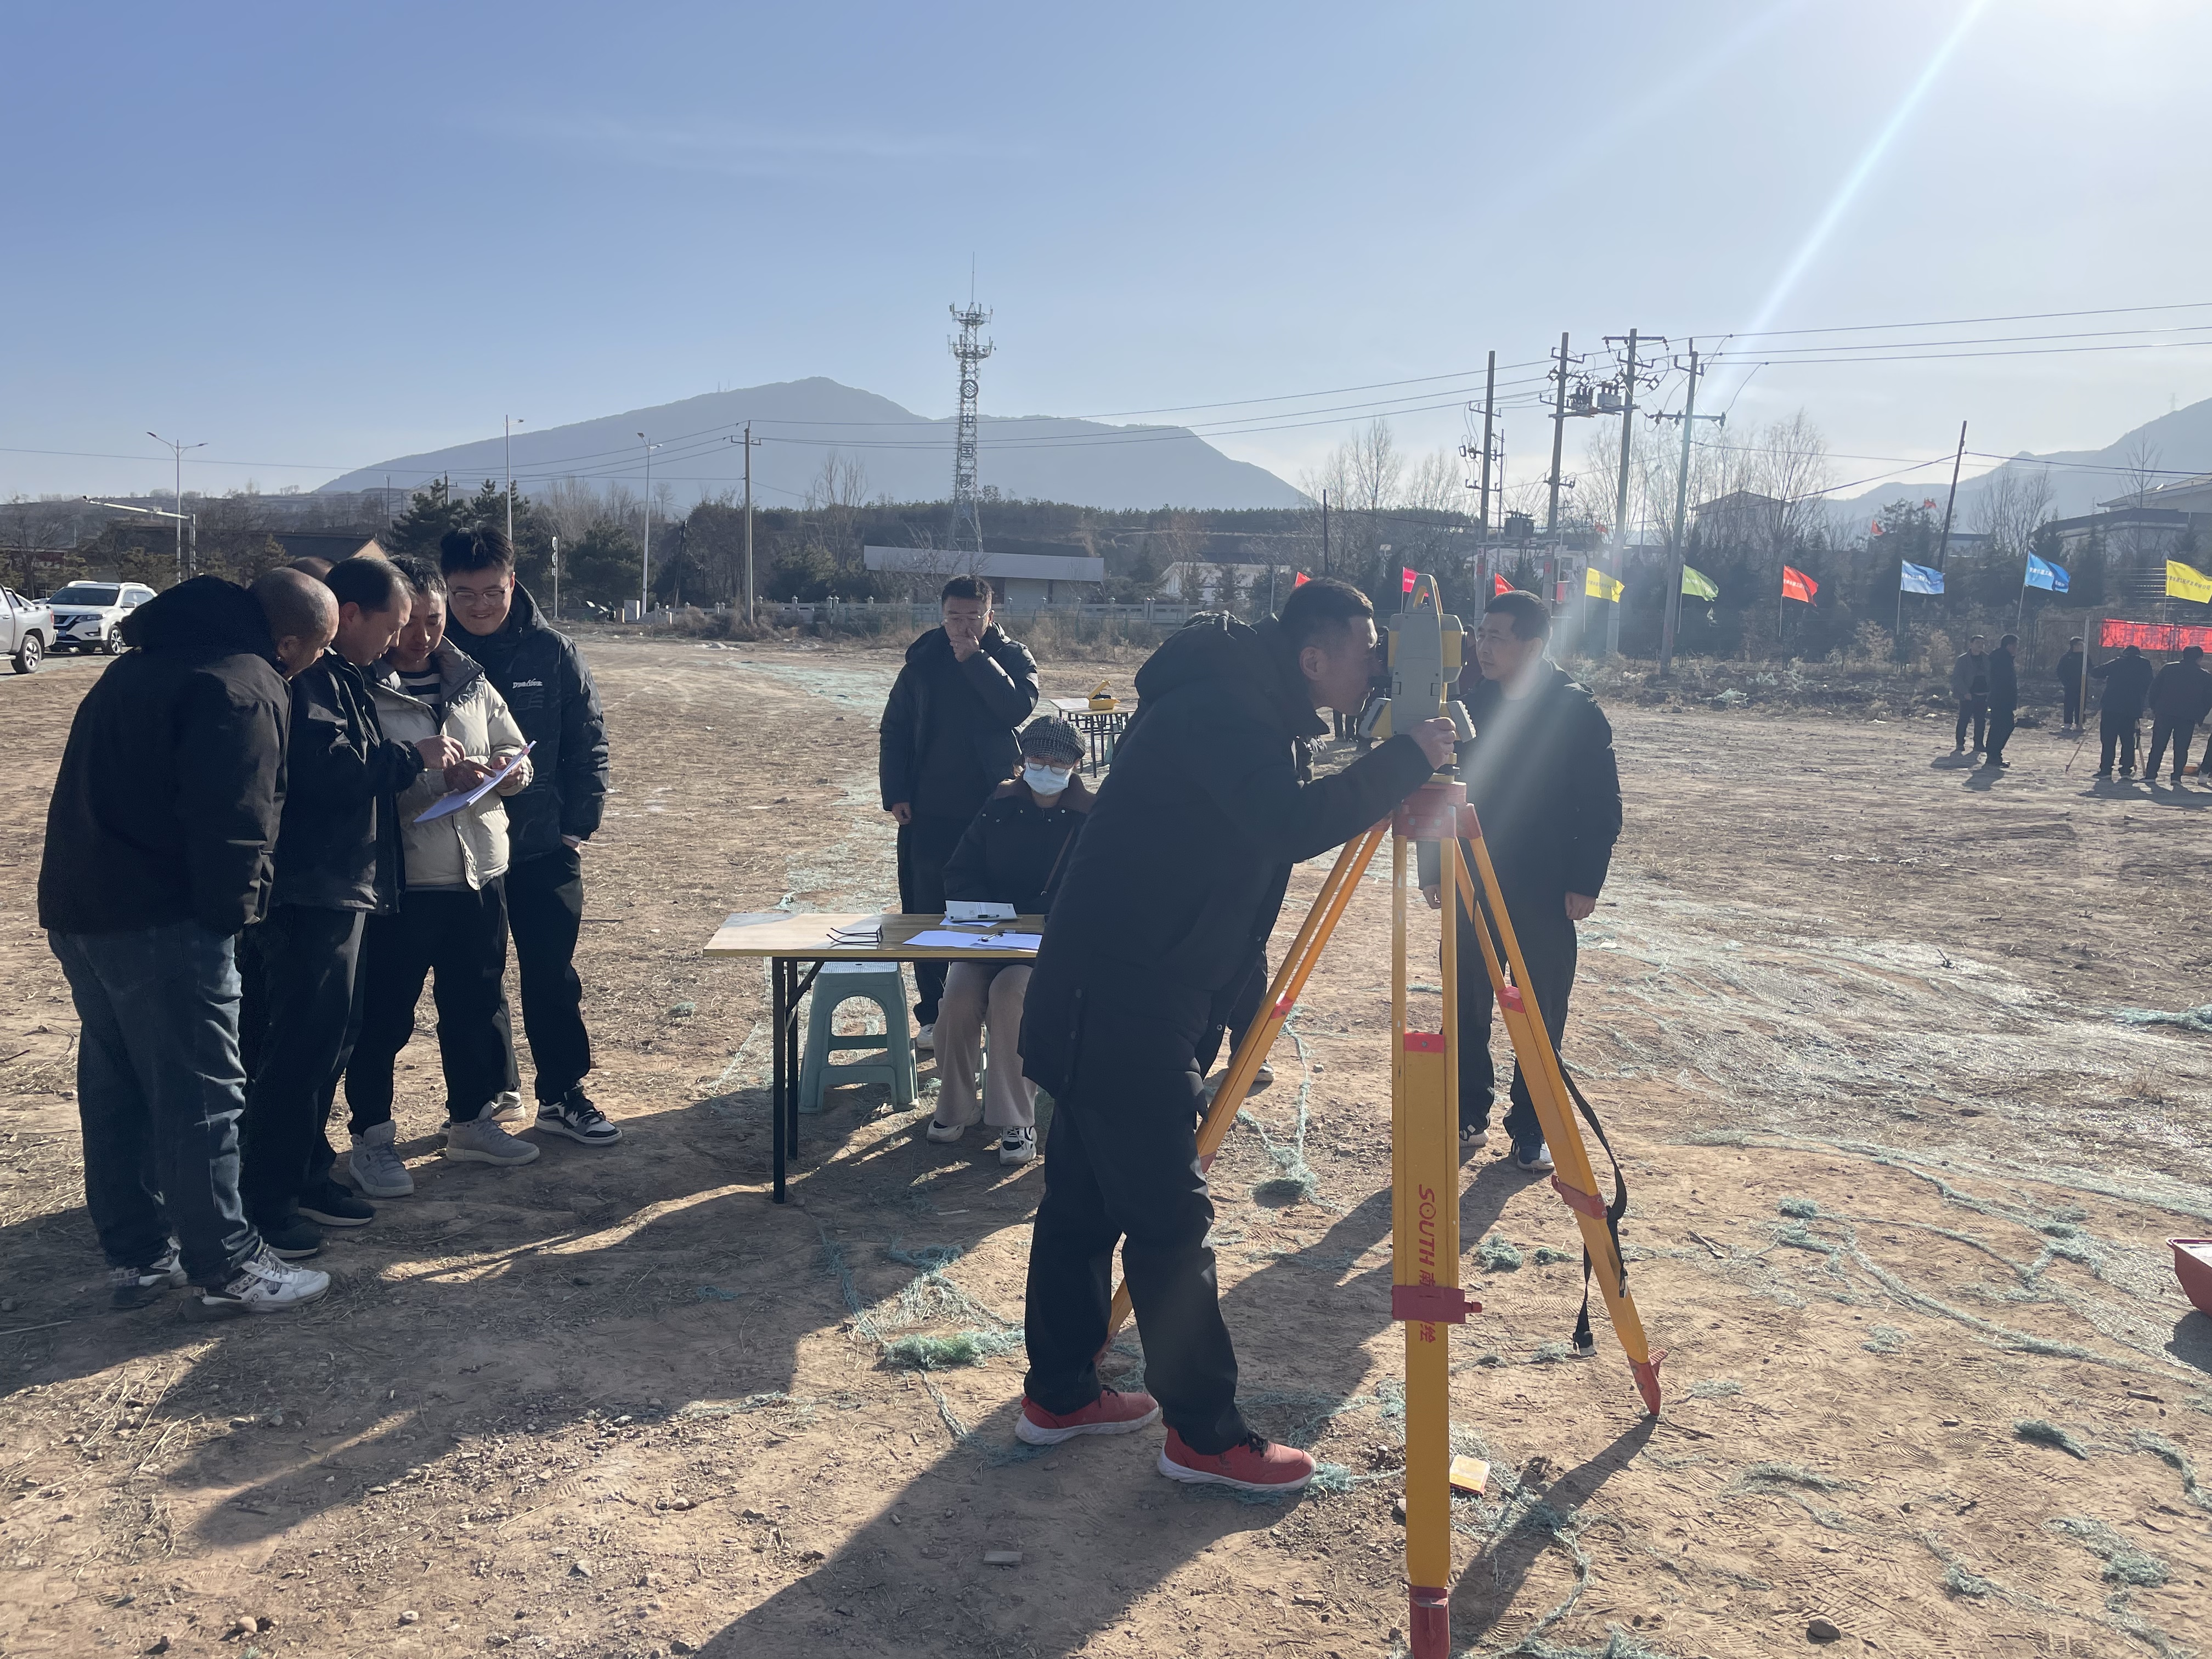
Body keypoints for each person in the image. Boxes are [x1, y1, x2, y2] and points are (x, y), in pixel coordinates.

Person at [1014, 578, 1455, 1494]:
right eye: (1365, 646)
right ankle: (1203, 1433)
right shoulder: (1225, 708)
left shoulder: (1248, 703)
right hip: (1121, 994)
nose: (1376, 663)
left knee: (1082, 1207)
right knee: (1168, 1223)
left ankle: (1058, 1393)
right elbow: (1284, 826)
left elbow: (1235, 860)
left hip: (1114, 985)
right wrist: (1403, 760)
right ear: (1311, 658)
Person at [38, 570, 337, 1318]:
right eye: (315, 653)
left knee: (118, 1087)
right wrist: (235, 919)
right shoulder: (245, 684)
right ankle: (227, 1263)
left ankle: (138, 1253)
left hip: (81, 911)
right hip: (166, 922)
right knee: (201, 1091)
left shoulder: (135, 667)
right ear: (290, 641)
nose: (309, 670)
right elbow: (238, 819)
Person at [239, 556, 458, 1256]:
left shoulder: (348, 678)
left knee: (334, 1038)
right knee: (301, 1046)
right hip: (313, 892)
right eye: (392, 627)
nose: (399, 642)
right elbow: (329, 772)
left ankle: (308, 1171)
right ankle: (267, 1199)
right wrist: (410, 758)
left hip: (346, 885)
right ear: (350, 616)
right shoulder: (315, 681)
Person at [342, 556, 538, 1193]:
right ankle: (372, 1137)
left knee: (474, 1006)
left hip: (479, 873)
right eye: (411, 623)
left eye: (433, 621)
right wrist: (430, 774)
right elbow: (356, 778)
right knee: (384, 1019)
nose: (422, 637)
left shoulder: (470, 678)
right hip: (402, 885)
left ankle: (471, 1121)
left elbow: (516, 749)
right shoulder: (358, 686)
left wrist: (509, 771)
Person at [1426, 589, 1623, 1171]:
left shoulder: (1575, 711)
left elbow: (1601, 806)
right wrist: (1435, 868)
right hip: (1470, 879)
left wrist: (1585, 881)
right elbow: (1441, 789)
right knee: (1464, 1002)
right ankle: (1466, 1112)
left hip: (1543, 886)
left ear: (1533, 646)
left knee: (1537, 1013)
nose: (1482, 647)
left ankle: (1531, 1128)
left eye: (1496, 637)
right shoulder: (1470, 707)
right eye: (1480, 635)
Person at [440, 525, 619, 1147]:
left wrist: (577, 828)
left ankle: (563, 1093)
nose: (479, 606)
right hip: (462, 853)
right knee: (473, 976)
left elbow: (587, 742)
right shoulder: (432, 653)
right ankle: (488, 1095)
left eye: (491, 591)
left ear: (513, 582)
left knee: (551, 973)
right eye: (464, 594)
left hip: (544, 844)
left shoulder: (554, 652)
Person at [879, 576, 1040, 1050]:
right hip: (929, 808)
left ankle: (990, 1011)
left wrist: (976, 660)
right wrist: (897, 792)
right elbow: (895, 731)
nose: (962, 626)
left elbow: (1017, 708)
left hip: (994, 806)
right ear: (942, 613)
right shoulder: (923, 660)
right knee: (925, 910)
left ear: (990, 615)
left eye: (973, 618)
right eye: (954, 617)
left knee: (993, 909)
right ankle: (932, 1015)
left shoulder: (1013, 658)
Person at [927, 715, 1091, 1167]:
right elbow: (960, 869)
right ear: (1022, 760)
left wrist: (1049, 922)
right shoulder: (998, 803)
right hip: (987, 936)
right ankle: (955, 1106)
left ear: (1076, 764)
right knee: (958, 993)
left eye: (1059, 760)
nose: (1047, 767)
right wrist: (981, 911)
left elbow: (1093, 888)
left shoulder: (1089, 817)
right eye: (1037, 757)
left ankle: (1017, 1119)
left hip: (1048, 948)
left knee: (1010, 995)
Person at [2146, 644, 2212, 784]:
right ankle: (2176, 777)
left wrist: (2154, 708)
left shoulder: (2169, 668)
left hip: (2164, 713)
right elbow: (2208, 700)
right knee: (2182, 748)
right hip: (2188, 717)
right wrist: (2199, 716)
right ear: (2199, 659)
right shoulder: (2205, 676)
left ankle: (2151, 775)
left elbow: (2154, 689)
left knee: (2158, 745)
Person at [2091, 644, 2155, 779]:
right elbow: (2150, 682)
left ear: (2125, 653)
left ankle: (2106, 769)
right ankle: (2126, 769)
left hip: (2112, 706)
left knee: (2108, 739)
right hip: (2132, 707)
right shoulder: (2145, 665)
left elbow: (2097, 672)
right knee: (2128, 740)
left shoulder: (2117, 662)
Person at [1983, 633, 2020, 769]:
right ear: (2009, 646)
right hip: (2001, 699)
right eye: (2016, 646)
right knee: (2002, 726)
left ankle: (1994, 755)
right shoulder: (2002, 660)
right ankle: (1993, 755)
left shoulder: (2005, 658)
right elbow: (2002, 682)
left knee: (2002, 726)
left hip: (2003, 699)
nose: (2017, 649)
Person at [1951, 635, 1989, 754]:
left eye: (1982, 643)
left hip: (1983, 695)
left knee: (1980, 721)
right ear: (1971, 644)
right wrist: (1965, 693)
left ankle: (1978, 744)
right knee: (1964, 719)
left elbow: (1991, 676)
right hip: (1968, 695)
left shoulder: (1987, 659)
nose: (1980, 645)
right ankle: (1960, 744)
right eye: (1977, 642)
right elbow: (1957, 678)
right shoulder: (1963, 659)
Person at [2055, 636, 2086, 731]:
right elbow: (2060, 671)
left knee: (2081, 705)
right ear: (2074, 646)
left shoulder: (2084, 657)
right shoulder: (2066, 657)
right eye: (2080, 645)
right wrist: (2066, 682)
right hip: (2070, 685)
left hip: (2082, 685)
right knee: (2069, 704)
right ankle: (2068, 723)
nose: (2082, 647)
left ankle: (2079, 723)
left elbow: (2091, 668)